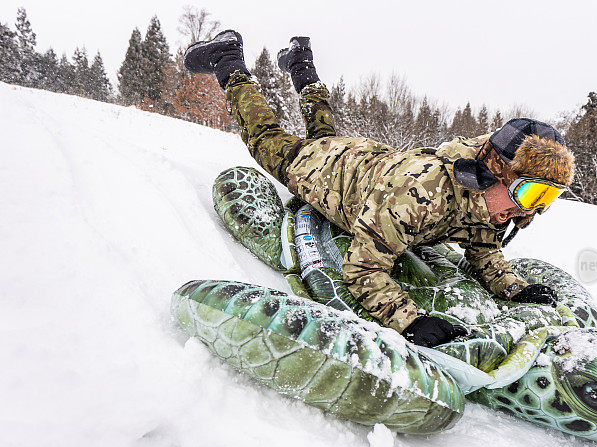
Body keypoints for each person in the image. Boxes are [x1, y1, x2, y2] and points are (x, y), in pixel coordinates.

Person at [184, 30, 575, 348]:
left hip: (366, 162)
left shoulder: (488, 202)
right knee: (265, 136)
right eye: (528, 193)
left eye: (546, 198)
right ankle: (228, 59)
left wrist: (511, 287)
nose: (528, 211)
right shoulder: (424, 194)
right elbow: (362, 267)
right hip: (323, 171)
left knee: (323, 130)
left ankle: (300, 59)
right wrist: (410, 320)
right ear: (490, 174)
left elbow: (482, 243)